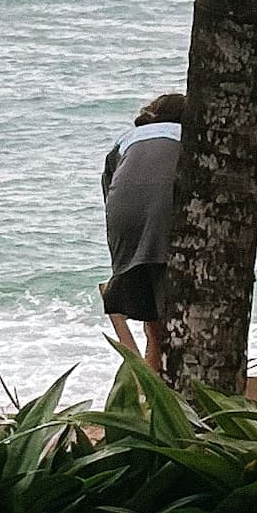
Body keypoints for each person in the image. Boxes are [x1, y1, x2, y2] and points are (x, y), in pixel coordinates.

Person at [102, 90, 185, 375]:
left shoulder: (125, 141)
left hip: (123, 218)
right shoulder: (192, 137)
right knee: (179, 320)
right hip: (165, 212)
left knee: (154, 322)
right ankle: (173, 396)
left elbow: (109, 188)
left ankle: (154, 396)